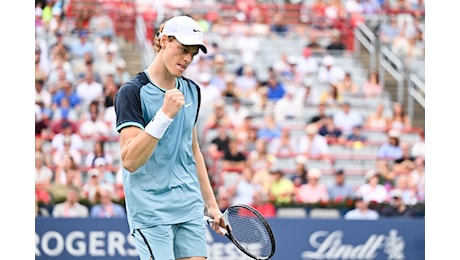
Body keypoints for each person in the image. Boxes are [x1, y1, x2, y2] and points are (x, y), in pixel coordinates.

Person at [113, 15, 224, 260]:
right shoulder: (131, 92)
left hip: (188, 205)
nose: (187, 59)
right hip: (151, 211)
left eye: (193, 54)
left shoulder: (193, 91)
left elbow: (193, 151)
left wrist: (212, 205)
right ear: (164, 41)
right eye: (183, 49)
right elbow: (130, 160)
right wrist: (164, 115)